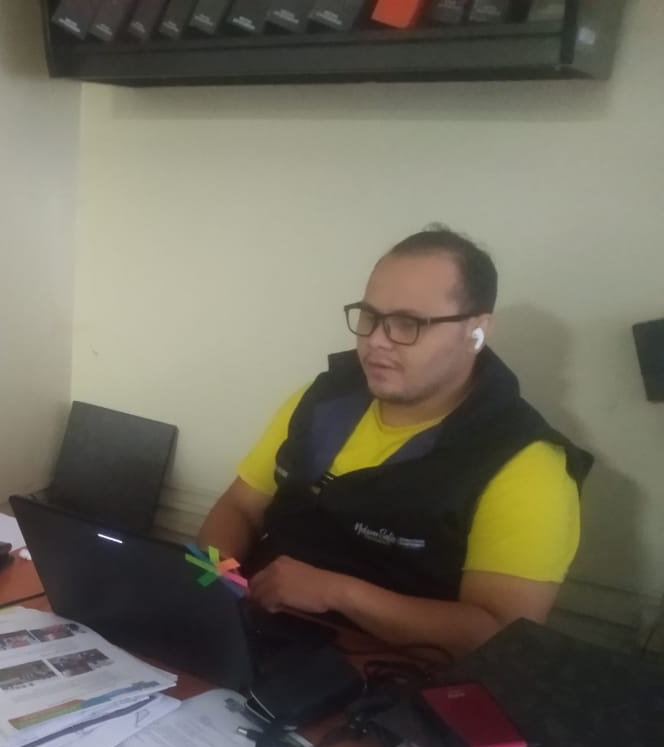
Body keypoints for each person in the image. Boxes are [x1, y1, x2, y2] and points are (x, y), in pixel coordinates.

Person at [198, 227, 592, 658]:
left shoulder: (527, 464)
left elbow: (499, 635)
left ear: (476, 332)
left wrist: (338, 592)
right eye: (369, 317)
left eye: (409, 324)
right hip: (246, 634)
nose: (376, 341)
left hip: (385, 674)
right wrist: (211, 583)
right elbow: (238, 507)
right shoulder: (321, 398)